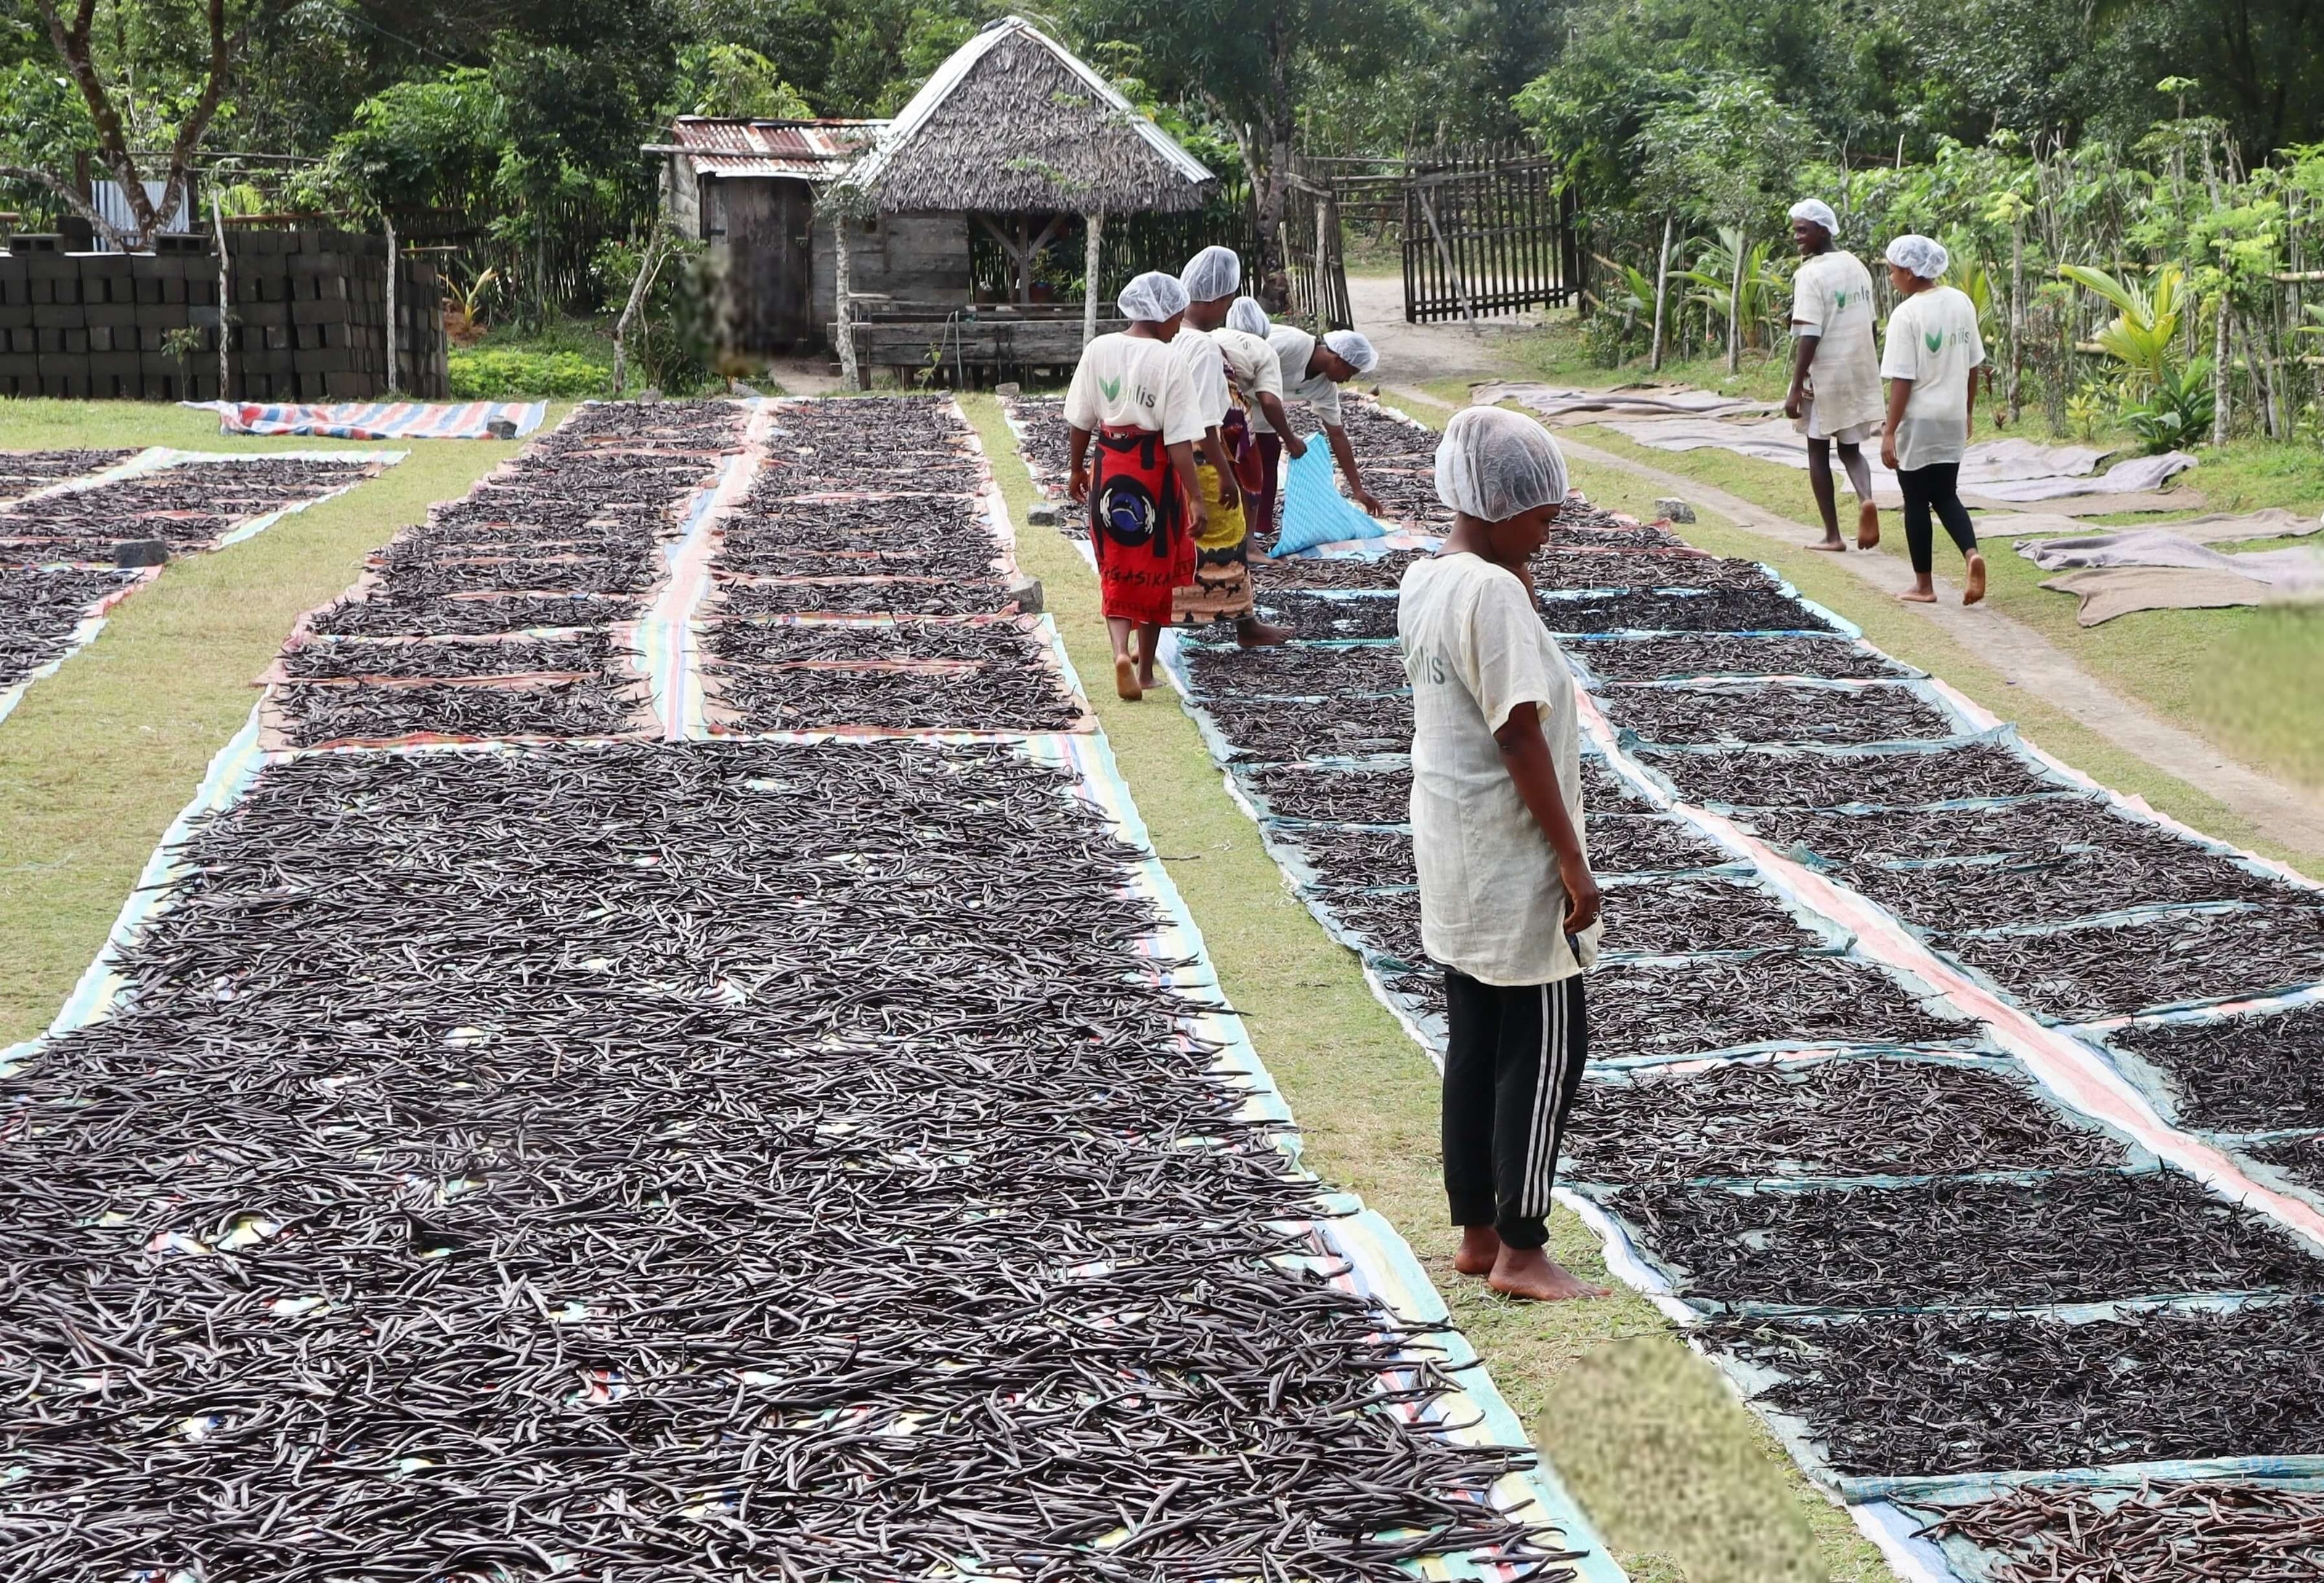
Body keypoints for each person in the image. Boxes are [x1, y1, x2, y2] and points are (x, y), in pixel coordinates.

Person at [1397, 405, 1608, 1304]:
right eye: (1540, 516)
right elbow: (1517, 729)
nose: (1548, 533)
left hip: (1451, 844)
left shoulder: (1425, 576)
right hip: (1511, 852)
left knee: (1475, 1041)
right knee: (1547, 1043)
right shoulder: (1493, 591)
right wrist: (1571, 859)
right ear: (1493, 504)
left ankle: (1476, 1232)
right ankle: (1523, 1247)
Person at [1065, 271, 1212, 700]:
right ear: (1165, 314)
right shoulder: (1169, 361)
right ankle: (1145, 670)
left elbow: (1081, 419)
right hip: (1155, 473)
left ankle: (1119, 652)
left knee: (1116, 563)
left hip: (1110, 465)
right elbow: (1180, 439)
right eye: (1178, 317)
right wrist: (1197, 500)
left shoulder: (1099, 349)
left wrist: (1076, 470)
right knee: (1157, 566)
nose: (1179, 326)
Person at [1173, 246, 1291, 645]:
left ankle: (1235, 620)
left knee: (1184, 540)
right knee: (1223, 534)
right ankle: (1240, 622)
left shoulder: (1169, 336)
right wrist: (1226, 473)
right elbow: (1207, 420)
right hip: (1205, 456)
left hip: (1175, 455)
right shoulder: (1202, 347)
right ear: (1220, 299)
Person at [1878, 235, 1988, 606]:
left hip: (1918, 419)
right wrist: (1968, 409)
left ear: (1910, 272)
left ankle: (1923, 585)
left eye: (1893, 271)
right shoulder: (1961, 302)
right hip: (1952, 415)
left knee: (1915, 499)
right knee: (1945, 493)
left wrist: (1889, 430)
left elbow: (1902, 379)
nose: (1891, 278)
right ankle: (1972, 554)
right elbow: (1974, 364)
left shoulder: (1906, 315)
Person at [1782, 199, 1885, 553]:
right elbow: (1871, 324)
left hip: (1825, 375)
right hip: (1857, 368)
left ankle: (1832, 535)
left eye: (1802, 230)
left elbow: (1809, 332)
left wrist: (1796, 387)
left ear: (1822, 231)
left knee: (1817, 451)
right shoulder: (1857, 266)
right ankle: (1866, 500)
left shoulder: (1810, 274)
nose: (1797, 237)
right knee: (1851, 449)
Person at [1250, 324, 1384, 546]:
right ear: (1337, 359)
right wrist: (1290, 438)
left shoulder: (1324, 386)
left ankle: (1260, 528)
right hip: (1232, 389)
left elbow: (1337, 434)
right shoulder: (1294, 344)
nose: (1347, 381)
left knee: (1269, 452)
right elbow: (1245, 357)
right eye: (1349, 373)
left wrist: (1357, 489)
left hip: (1260, 407)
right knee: (1242, 457)